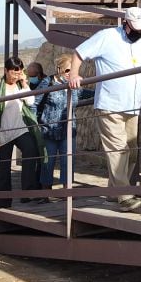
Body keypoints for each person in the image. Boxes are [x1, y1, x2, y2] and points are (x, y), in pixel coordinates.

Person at [69, 7, 141, 212]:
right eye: (135, 29)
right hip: (110, 105)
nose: (139, 33)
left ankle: (113, 192)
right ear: (125, 24)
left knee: (132, 153)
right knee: (119, 151)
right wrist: (74, 74)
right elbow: (79, 53)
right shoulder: (107, 37)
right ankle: (125, 197)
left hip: (132, 107)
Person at [0, 57, 46, 208]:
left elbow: (30, 102)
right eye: (13, 73)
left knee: (31, 152)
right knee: (3, 168)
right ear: (6, 71)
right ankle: (4, 201)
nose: (16, 76)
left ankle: (26, 193)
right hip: (4, 132)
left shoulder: (20, 85)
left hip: (20, 129)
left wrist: (25, 83)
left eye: (19, 72)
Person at [38, 54, 94, 191]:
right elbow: (34, 102)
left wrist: (105, 89)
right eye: (68, 70)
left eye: (73, 71)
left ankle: (66, 190)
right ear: (59, 69)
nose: (70, 74)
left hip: (68, 130)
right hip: (49, 130)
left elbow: (86, 93)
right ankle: (46, 191)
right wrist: (35, 123)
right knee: (48, 162)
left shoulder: (73, 85)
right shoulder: (48, 83)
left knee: (67, 161)